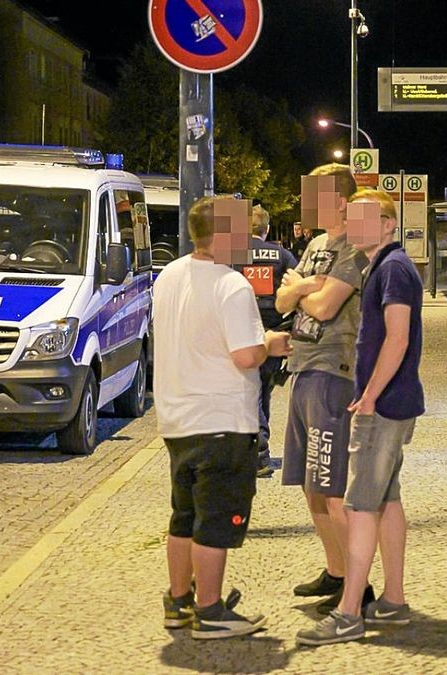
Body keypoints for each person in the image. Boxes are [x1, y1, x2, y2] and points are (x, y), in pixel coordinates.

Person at [154, 195, 291, 639]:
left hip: (178, 416)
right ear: (222, 236)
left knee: (184, 515)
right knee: (215, 521)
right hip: (222, 419)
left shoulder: (171, 275)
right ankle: (211, 612)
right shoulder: (232, 286)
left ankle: (179, 601)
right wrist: (271, 342)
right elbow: (246, 355)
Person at [297, 188, 425, 646]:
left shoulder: (391, 268)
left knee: (360, 505)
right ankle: (393, 599)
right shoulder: (384, 267)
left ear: (389, 224)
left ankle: (349, 612)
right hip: (394, 401)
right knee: (387, 500)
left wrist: (369, 395)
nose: (354, 226)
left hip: (383, 404)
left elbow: (397, 338)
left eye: (365, 219)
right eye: (352, 218)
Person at [275, 164, 373, 613]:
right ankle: (335, 571)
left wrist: (304, 290)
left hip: (334, 371)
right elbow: (281, 299)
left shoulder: (355, 247)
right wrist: (302, 288)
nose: (305, 204)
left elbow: (328, 306)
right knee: (310, 484)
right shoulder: (315, 245)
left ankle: (358, 586)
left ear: (338, 201)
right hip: (301, 366)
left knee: (332, 487)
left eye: (313, 195)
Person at [230, 204, 298, 478]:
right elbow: (297, 281)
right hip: (274, 328)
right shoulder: (281, 254)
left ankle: (258, 452)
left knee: (250, 389)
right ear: (266, 229)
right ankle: (258, 448)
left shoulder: (234, 252)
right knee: (263, 388)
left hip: (243, 326)